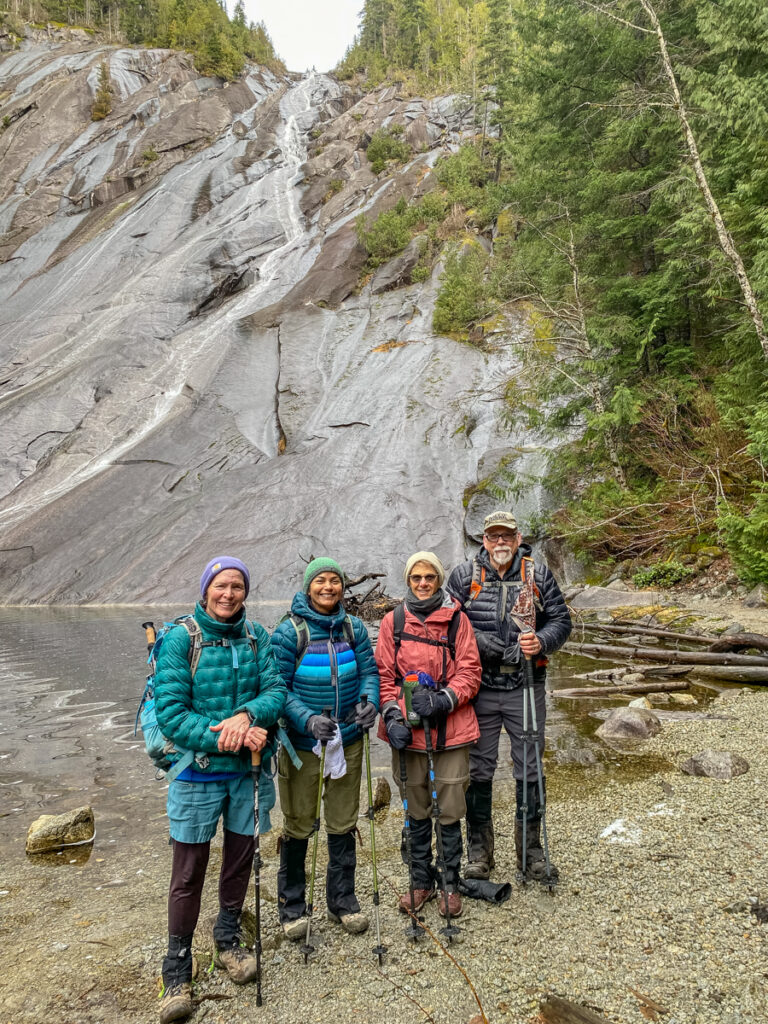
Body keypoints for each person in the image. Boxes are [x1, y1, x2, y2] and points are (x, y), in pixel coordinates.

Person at [153, 556, 287, 1024]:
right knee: (188, 871)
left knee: (240, 859)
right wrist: (225, 734)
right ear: (206, 587)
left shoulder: (258, 638)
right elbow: (171, 713)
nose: (228, 594)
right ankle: (176, 966)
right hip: (197, 772)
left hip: (247, 771)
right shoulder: (179, 639)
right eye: (221, 585)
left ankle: (227, 937)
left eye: (237, 586)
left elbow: (274, 691)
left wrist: (248, 716)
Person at [446, 511, 572, 883]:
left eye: (507, 536)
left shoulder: (539, 574)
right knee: (479, 769)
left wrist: (542, 641)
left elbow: (561, 621)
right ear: (483, 541)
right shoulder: (464, 576)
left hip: (526, 685)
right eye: (493, 536)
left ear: (518, 539)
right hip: (480, 689)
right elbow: (448, 622)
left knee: (530, 766)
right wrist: (480, 643)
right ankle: (480, 852)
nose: (500, 542)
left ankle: (531, 852)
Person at [270, 557, 380, 938]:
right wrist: (306, 719)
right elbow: (277, 688)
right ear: (308, 586)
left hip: (347, 740)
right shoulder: (289, 633)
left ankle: (343, 901)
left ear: (342, 587)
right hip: (302, 746)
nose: (328, 587)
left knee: (343, 820)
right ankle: (293, 906)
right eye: (321, 581)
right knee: (299, 822)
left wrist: (370, 702)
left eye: (335, 580)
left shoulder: (353, 628)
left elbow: (369, 671)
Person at [376, 551, 481, 919]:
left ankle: (450, 883)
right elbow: (383, 676)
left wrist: (443, 700)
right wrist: (392, 718)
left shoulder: (457, 621)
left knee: (449, 809)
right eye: (416, 578)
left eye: (430, 577)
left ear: (439, 580)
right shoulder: (393, 622)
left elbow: (470, 671)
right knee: (415, 808)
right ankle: (421, 881)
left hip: (450, 731)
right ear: (408, 581)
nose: (423, 583)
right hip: (408, 734)